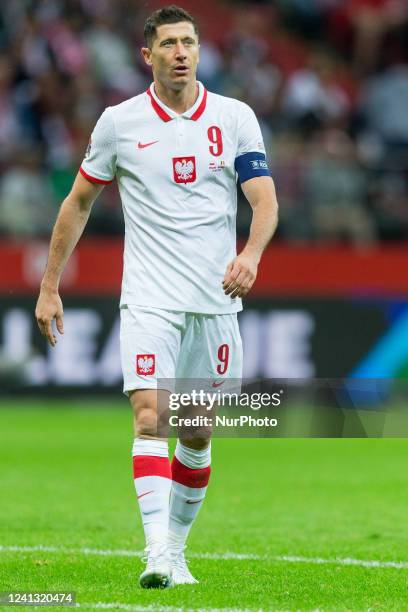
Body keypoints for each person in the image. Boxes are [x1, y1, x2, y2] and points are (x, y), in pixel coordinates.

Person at [35, 5, 279, 589]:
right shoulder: (119, 122)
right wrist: (49, 287)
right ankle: (156, 554)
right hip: (149, 299)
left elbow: (264, 201)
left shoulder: (234, 116)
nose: (180, 52)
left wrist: (250, 256)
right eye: (168, 43)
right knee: (151, 418)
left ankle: (177, 549)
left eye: (188, 42)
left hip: (215, 303)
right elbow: (78, 202)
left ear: (199, 51)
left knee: (196, 433)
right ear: (148, 55)